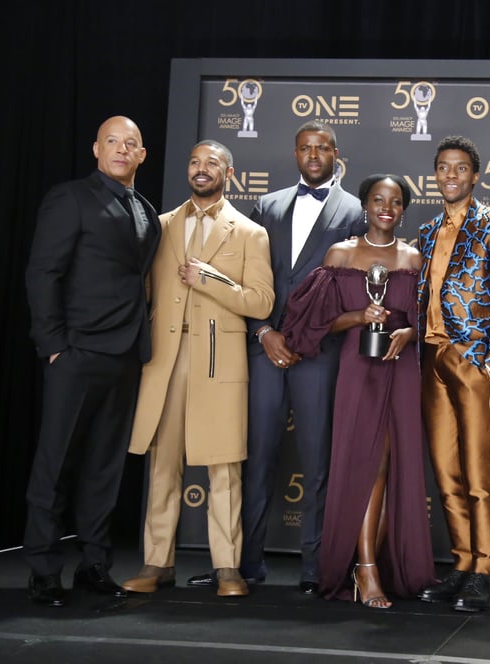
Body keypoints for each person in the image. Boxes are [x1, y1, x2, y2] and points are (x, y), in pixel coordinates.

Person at [186, 121, 365, 594]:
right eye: (304, 147)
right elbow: (248, 278)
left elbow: (352, 293)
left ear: (335, 153)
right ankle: (244, 566)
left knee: (317, 462)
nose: (312, 155)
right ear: (295, 152)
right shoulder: (267, 205)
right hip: (264, 348)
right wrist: (263, 331)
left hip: (319, 353)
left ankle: (315, 568)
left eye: (321, 148)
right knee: (254, 458)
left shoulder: (355, 211)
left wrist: (308, 337)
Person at [121, 140, 274, 598]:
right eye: (194, 162)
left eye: (211, 163)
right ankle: (156, 563)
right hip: (165, 362)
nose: (200, 169)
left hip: (218, 363)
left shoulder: (249, 232)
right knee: (162, 465)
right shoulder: (161, 225)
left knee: (224, 468)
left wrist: (209, 278)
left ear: (229, 172)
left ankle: (228, 568)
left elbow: (261, 301)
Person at [280, 174, 436, 608]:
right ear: (364, 205)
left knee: (387, 465)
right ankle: (364, 569)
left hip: (399, 368)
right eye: (378, 199)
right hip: (356, 367)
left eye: (396, 201)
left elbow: (427, 320)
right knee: (367, 465)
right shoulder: (341, 254)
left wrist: (407, 331)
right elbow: (313, 324)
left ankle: (368, 566)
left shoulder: (412, 258)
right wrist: (356, 316)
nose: (387, 207)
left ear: (404, 209)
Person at [22, 115, 160, 607]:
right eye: (112, 142)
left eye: (131, 143)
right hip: (77, 352)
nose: (122, 149)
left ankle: (94, 564)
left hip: (126, 356)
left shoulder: (145, 208)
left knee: (105, 467)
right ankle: (42, 569)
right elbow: (43, 274)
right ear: (96, 149)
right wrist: (54, 344)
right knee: (54, 464)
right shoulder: (71, 198)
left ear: (142, 154)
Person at [416, 136, 490, 612]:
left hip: (472, 361)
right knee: (446, 473)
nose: (450, 175)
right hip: (430, 359)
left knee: (479, 472)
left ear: (475, 175)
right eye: (443, 168)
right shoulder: (424, 233)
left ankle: (486, 566)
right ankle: (462, 562)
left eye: (459, 168)